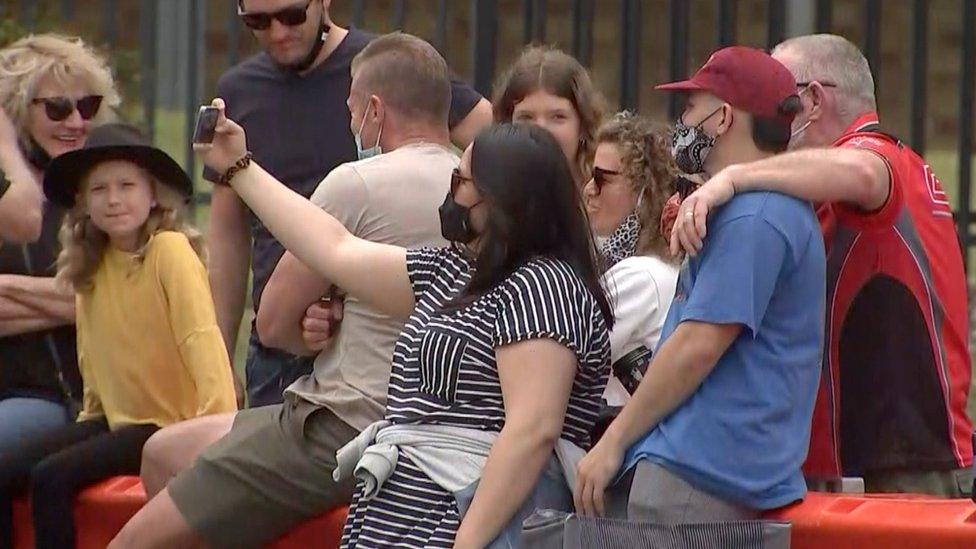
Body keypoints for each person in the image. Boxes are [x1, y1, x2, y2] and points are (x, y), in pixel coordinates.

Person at [116, 34, 462, 548]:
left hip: (341, 424)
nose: (349, 123)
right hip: (443, 425)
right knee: (165, 450)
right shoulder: (481, 185)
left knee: (131, 542)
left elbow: (274, 323)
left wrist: (315, 326)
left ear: (373, 109)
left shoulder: (356, 182)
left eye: (349, 108)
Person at [670, 34, 974, 498]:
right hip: (887, 457)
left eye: (781, 96)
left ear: (812, 100)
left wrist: (733, 179)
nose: (770, 110)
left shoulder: (877, 154)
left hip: (901, 466)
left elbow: (863, 172)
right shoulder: (826, 182)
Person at [574, 46, 825, 523]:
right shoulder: (760, 207)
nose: (682, 122)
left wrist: (615, 442)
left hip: (698, 476)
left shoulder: (756, 215)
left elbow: (697, 347)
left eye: (690, 108)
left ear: (723, 117)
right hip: (707, 470)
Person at [211, 0, 492, 407]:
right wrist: (221, 356)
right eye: (257, 21)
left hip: (377, 342)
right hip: (280, 341)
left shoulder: (385, 66)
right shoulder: (240, 89)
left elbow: (505, 154)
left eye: (291, 15)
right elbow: (227, 232)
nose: (277, 32)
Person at [0, 123, 236, 549]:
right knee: (6, 469)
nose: (113, 199)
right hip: (112, 420)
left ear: (153, 195)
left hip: (168, 424)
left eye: (126, 185)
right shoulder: (91, 262)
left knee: (50, 479)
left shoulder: (170, 251)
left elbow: (201, 339)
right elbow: (93, 355)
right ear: (83, 203)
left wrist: (213, 431)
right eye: (99, 189)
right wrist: (87, 420)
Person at [0, 34, 120, 453]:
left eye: (87, 107)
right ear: (17, 111)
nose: (76, 122)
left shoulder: (106, 195)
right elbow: (88, 298)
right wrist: (74, 301)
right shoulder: (11, 204)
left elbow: (117, 300)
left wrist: (9, 290)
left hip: (68, 398)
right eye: (57, 108)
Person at [583, 112, 679, 406]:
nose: (588, 190)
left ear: (643, 191)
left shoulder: (642, 275)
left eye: (602, 179)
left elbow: (565, 359)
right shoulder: (654, 268)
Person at [492, 45, 604, 186]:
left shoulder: (606, 200)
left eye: (558, 117)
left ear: (583, 125)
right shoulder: (485, 198)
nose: (541, 129)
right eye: (526, 118)